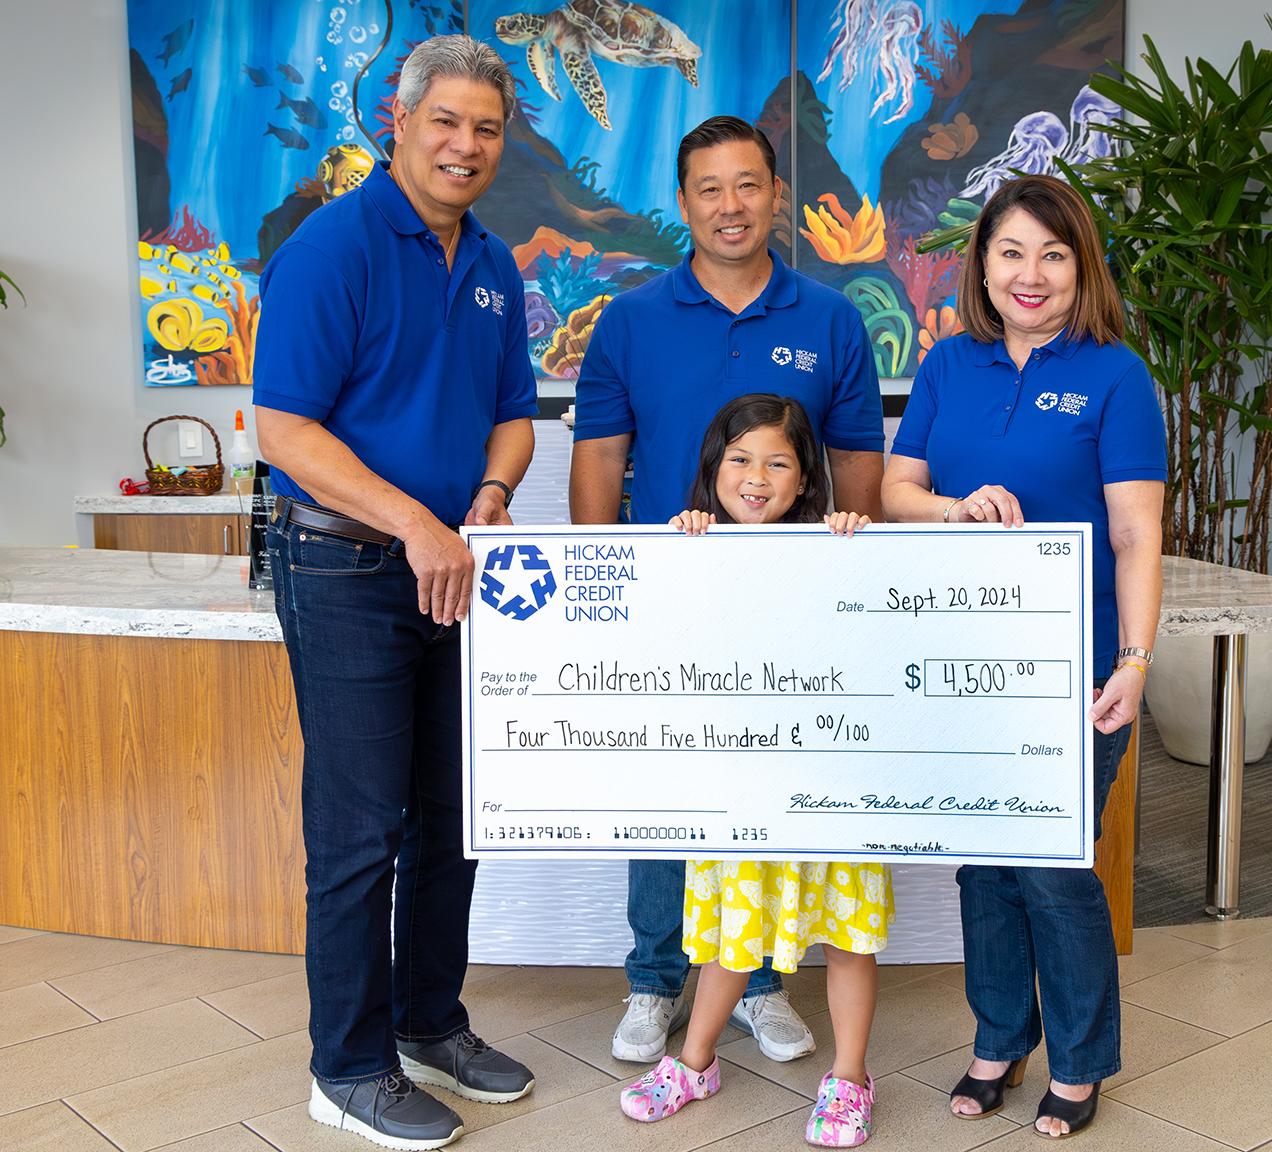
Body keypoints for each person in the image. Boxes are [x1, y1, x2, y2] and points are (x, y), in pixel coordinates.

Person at [252, 35, 538, 1151]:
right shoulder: (333, 247)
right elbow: (282, 429)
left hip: (451, 571)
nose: (467, 146)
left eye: (487, 128)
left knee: (451, 821)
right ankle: (347, 1066)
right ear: (398, 123)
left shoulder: (496, 265)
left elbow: (514, 408)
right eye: (447, 123)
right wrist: (417, 520)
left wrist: (491, 489)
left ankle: (430, 1024)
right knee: (360, 829)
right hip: (344, 566)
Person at [569, 115, 887, 1067]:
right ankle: (655, 977)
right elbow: (598, 464)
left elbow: (857, 468)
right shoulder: (630, 320)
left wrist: (845, 579)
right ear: (684, 204)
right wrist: (604, 594)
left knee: (770, 788)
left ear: (775, 194)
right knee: (671, 792)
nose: (730, 206)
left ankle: (758, 984)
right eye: (709, 189)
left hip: (792, 615)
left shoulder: (829, 319)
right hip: (670, 604)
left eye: (748, 185)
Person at [881, 174, 1165, 1139]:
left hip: (1075, 669)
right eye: (1012, 253)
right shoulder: (949, 366)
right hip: (963, 666)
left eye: (1053, 253)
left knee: (1050, 866)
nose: (1030, 274)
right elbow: (896, 490)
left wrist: (1133, 662)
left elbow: (1136, 537)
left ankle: (1082, 1061)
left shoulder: (1116, 376)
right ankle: (1001, 1037)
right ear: (984, 263)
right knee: (982, 868)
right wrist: (955, 507)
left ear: (1081, 265)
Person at [619, 395, 886, 1148]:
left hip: (836, 794)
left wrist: (854, 541)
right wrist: (679, 549)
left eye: (778, 462)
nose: (757, 476)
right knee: (732, 936)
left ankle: (852, 1077)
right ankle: (695, 1062)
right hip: (740, 793)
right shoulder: (691, 549)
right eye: (739, 459)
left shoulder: (841, 549)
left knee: (851, 936)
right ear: (713, 471)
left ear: (806, 482)